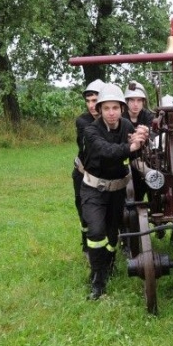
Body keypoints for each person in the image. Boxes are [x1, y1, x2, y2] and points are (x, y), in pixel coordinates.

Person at [81, 83, 149, 300]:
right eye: (106, 108)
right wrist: (130, 147)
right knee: (96, 232)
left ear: (122, 109)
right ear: (99, 110)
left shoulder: (127, 125)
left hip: (117, 191)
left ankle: (108, 265)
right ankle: (97, 279)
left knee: (112, 235)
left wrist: (143, 136)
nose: (111, 113)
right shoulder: (90, 130)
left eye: (115, 108)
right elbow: (105, 151)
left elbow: (139, 149)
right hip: (93, 190)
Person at [73, 79, 105, 255]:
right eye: (89, 101)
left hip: (106, 175)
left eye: (96, 100)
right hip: (84, 173)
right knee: (84, 209)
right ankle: (86, 243)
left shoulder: (116, 119)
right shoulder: (83, 122)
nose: (92, 105)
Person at [124, 81, 155, 203]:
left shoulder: (148, 116)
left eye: (139, 100)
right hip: (127, 160)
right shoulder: (121, 117)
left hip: (147, 159)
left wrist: (149, 132)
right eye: (132, 100)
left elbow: (156, 133)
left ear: (143, 102)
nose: (135, 104)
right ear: (126, 102)